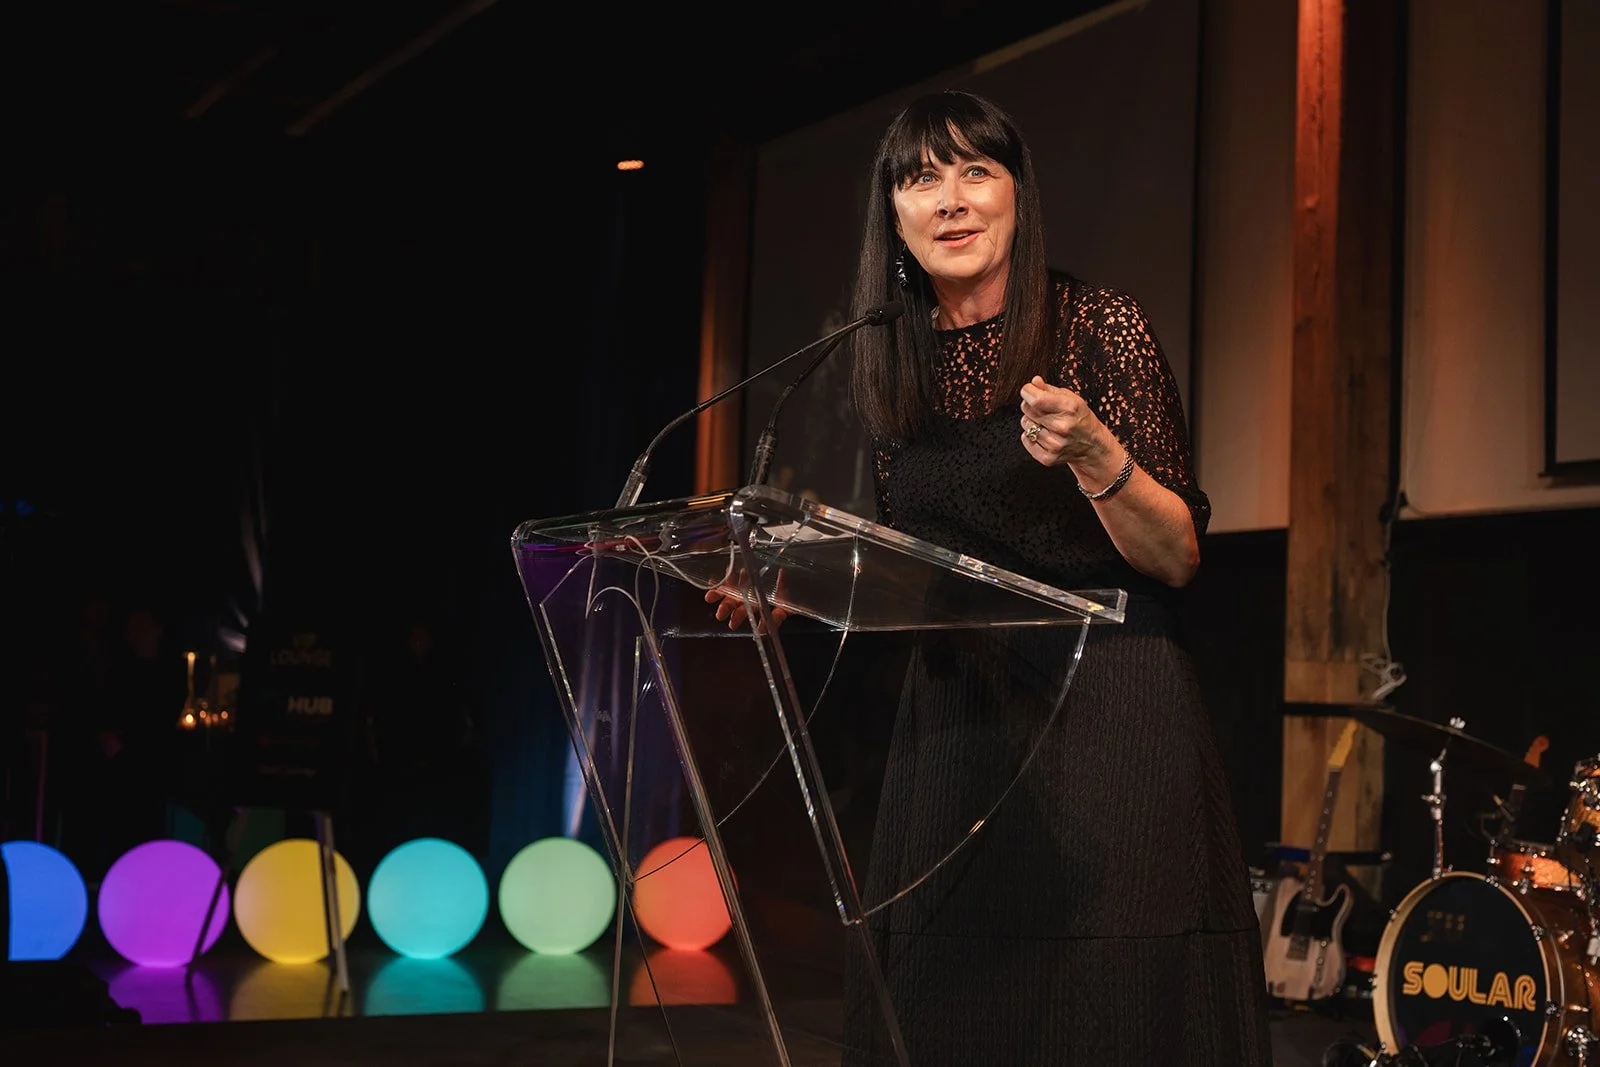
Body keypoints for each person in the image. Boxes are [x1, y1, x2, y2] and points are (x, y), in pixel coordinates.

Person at [823, 89, 1271, 1065]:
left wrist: (1098, 455)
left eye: (974, 169)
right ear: (892, 216)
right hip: (955, 722)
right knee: (954, 1006)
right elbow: (895, 560)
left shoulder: (1094, 324)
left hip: (1105, 710)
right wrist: (775, 589)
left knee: (1103, 1006)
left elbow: (1177, 557)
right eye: (919, 176)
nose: (948, 197)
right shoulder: (883, 363)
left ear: (1016, 198)